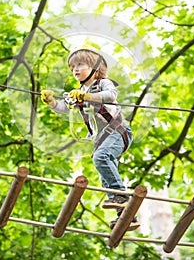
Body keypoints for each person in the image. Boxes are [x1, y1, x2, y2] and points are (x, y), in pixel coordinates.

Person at [41, 47, 139, 230]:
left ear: (95, 67)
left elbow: (111, 96)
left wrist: (88, 96)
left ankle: (122, 197)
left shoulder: (103, 83)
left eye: (80, 65)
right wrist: (52, 103)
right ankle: (127, 216)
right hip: (101, 137)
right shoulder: (78, 92)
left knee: (101, 158)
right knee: (105, 172)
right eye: (72, 67)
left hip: (117, 131)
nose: (75, 70)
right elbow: (64, 107)